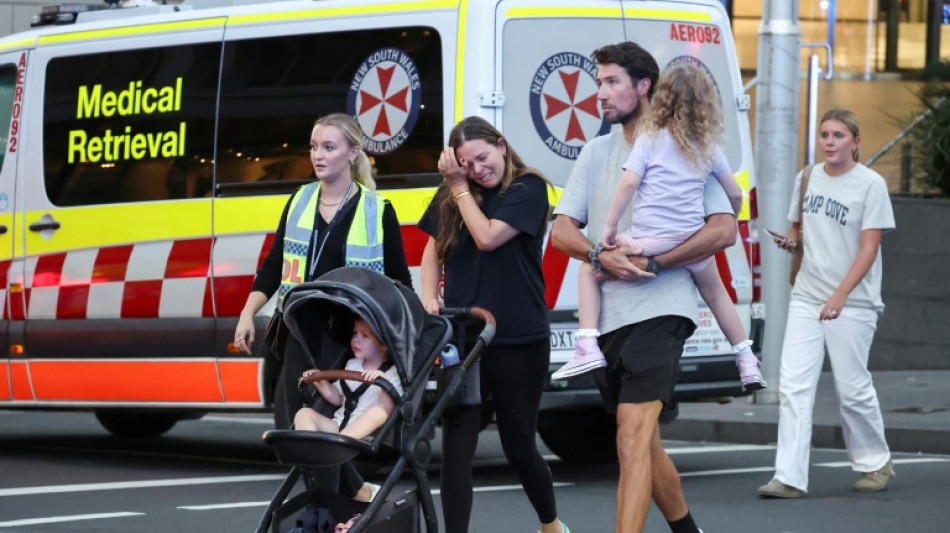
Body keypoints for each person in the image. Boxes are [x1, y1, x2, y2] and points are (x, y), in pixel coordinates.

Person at [551, 41, 737, 533]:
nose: (600, 94)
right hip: (610, 318)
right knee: (642, 442)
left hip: (664, 307)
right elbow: (562, 230)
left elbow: (724, 228)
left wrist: (658, 260)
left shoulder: (687, 144)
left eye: (611, 82)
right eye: (599, 84)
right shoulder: (594, 153)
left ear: (643, 86)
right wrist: (598, 253)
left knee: (632, 434)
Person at [551, 63, 767, 395]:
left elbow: (628, 184)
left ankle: (585, 345)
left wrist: (609, 230)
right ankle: (745, 357)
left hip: (649, 240)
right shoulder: (707, 147)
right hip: (690, 236)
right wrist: (733, 214)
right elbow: (734, 192)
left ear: (660, 98)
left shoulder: (650, 139)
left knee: (588, 269)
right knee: (716, 292)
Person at [234, 112, 412, 502]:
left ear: (353, 153)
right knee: (295, 430)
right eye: (314, 147)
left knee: (326, 433)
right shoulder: (299, 201)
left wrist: (397, 342)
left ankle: (331, 508)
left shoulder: (378, 210)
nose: (318, 155)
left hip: (347, 338)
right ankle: (354, 494)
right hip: (297, 331)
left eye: (329, 147)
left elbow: (399, 280)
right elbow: (272, 266)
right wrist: (248, 313)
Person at [418, 116, 568, 533]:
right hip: (465, 336)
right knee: (457, 446)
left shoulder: (528, 187)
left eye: (482, 157)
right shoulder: (454, 192)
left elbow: (487, 237)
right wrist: (431, 299)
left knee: (518, 444)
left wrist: (459, 187)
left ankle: (551, 523)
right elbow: (432, 252)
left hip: (518, 336)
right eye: (465, 163)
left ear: (501, 146)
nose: (476, 169)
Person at [757, 109, 896, 498]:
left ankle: (875, 461)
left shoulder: (871, 185)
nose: (830, 142)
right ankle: (788, 477)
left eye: (838, 135)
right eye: (824, 134)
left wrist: (841, 295)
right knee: (794, 386)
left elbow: (869, 250)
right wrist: (791, 240)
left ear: (855, 141)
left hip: (854, 302)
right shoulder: (807, 178)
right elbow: (799, 227)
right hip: (807, 295)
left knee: (851, 388)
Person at [294, 317, 403, 441]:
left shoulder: (392, 373)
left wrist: (384, 383)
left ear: (384, 344)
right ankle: (308, 448)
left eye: (365, 336)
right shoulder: (352, 365)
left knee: (378, 412)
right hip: (338, 426)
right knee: (304, 413)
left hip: (363, 435)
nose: (356, 339)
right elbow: (339, 399)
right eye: (355, 333)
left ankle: (334, 446)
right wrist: (322, 383)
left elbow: (389, 410)